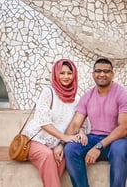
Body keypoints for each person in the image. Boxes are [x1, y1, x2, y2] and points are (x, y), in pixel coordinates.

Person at [62, 58, 127, 187]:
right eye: (98, 71)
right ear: (93, 74)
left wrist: (99, 146)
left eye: (106, 71)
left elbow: (124, 128)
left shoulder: (123, 94)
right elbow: (75, 125)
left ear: (112, 74)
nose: (102, 74)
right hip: (94, 138)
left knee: (119, 149)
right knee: (71, 149)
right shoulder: (87, 96)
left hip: (117, 141)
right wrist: (62, 144)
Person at [23, 59, 82, 187]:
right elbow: (43, 121)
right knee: (48, 156)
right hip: (35, 141)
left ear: (74, 75)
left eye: (69, 73)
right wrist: (64, 138)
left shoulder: (76, 99)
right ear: (56, 74)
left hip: (58, 144)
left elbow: (79, 123)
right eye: (62, 73)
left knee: (63, 157)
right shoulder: (48, 92)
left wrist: (63, 143)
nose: (66, 77)